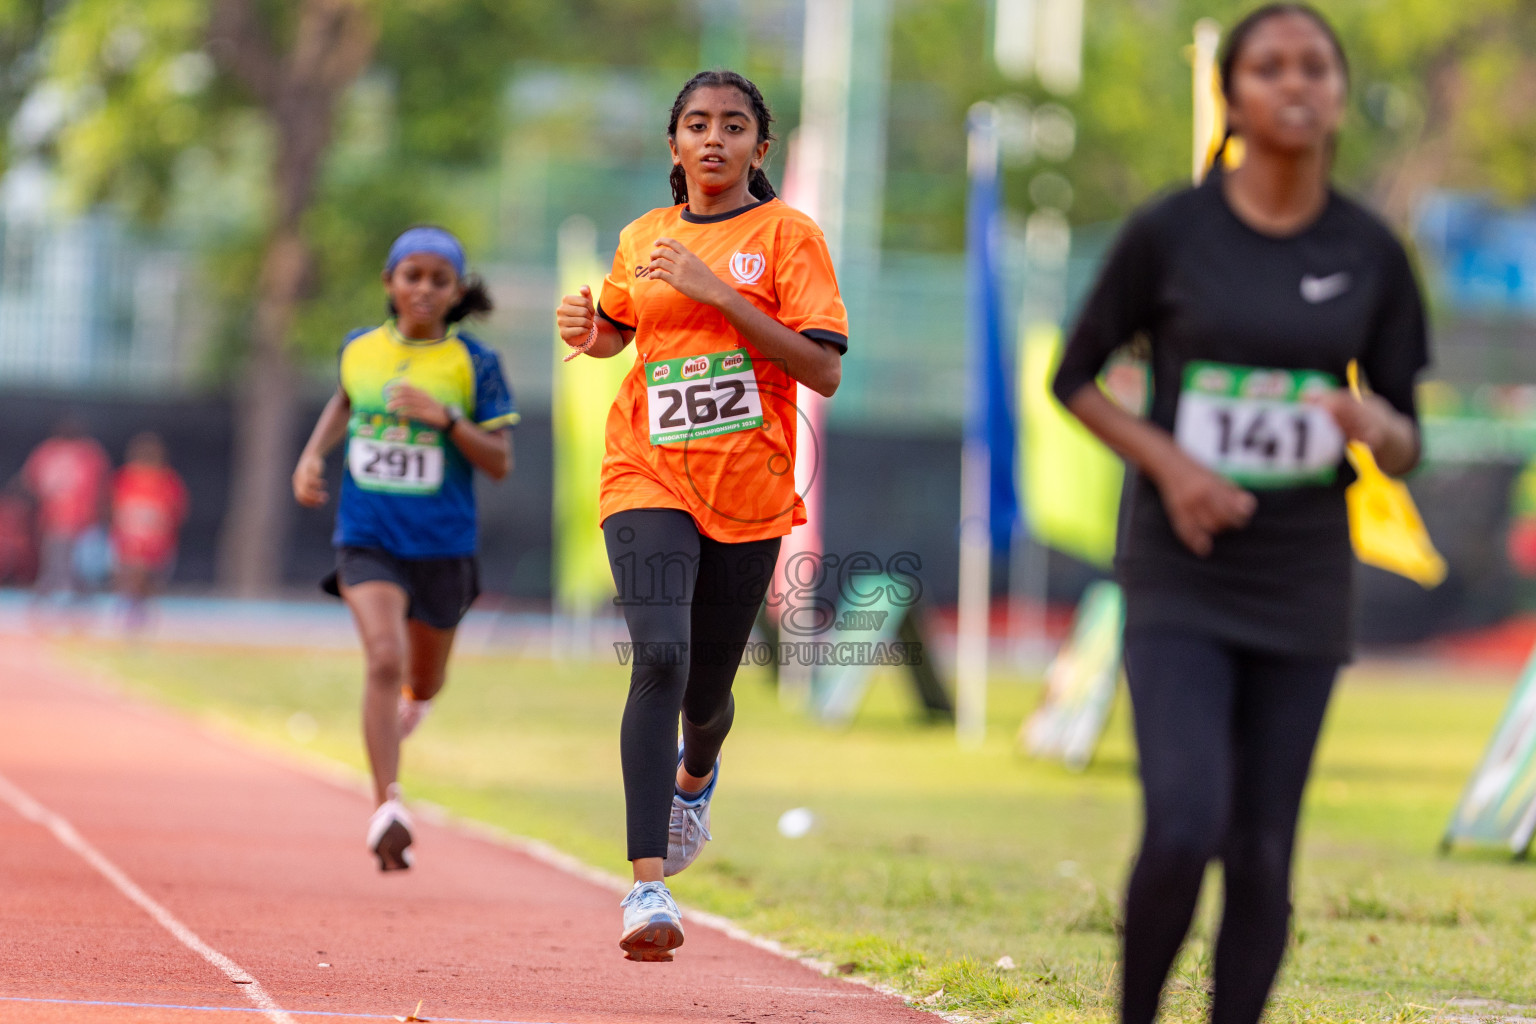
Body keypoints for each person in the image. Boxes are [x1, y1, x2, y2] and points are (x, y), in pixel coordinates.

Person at [1052, 6, 1430, 1023]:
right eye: (1269, 67)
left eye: (1315, 66)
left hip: (1303, 578)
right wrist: (1171, 465)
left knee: (1263, 849)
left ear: (1341, 94)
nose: (1294, 83)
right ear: (1235, 95)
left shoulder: (1370, 252)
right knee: (1184, 821)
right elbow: (1074, 378)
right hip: (1183, 565)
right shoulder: (1171, 232)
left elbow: (1406, 439)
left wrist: (1369, 422)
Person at [556, 69, 847, 962]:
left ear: (763, 147)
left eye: (733, 126)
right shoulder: (644, 236)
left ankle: (698, 771)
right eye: (695, 125)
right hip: (645, 470)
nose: (713, 139)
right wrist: (589, 327)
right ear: (674, 145)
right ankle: (647, 887)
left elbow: (823, 369)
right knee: (662, 653)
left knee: (709, 695)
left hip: (748, 492)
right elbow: (618, 323)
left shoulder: (788, 236)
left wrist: (719, 292)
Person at [292, 226, 518, 871]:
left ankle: (416, 704)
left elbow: (499, 461)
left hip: (444, 545)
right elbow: (344, 400)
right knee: (383, 658)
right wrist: (312, 455)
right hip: (369, 538)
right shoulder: (359, 351)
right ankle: (386, 805)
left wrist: (443, 419)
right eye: (411, 276)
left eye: (438, 279)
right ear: (390, 284)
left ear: (455, 292)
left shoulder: (474, 364)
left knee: (424, 677)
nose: (423, 288)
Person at [20, 417, 111, 606]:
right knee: (63, 568)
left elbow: (30, 482)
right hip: (69, 519)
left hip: (71, 520)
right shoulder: (85, 452)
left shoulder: (51, 451)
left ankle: (57, 603)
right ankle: (54, 604)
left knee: (67, 567)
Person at [111, 432, 189, 632]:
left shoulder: (167, 480)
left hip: (155, 542)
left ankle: (139, 616)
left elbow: (176, 511)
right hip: (130, 540)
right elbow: (114, 507)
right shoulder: (126, 478)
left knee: (148, 584)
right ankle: (130, 616)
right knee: (132, 579)